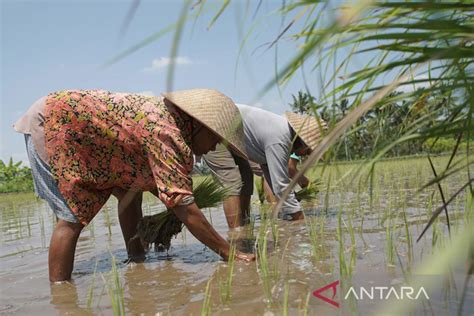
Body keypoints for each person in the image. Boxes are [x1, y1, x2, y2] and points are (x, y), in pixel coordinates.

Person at [14, 88, 255, 282]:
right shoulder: (167, 131)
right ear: (199, 124)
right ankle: (61, 294)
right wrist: (228, 253)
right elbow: (182, 203)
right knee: (71, 217)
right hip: (55, 124)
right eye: (215, 138)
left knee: (130, 193)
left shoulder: (174, 123)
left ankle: (136, 258)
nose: (215, 147)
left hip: (85, 136)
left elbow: (164, 192)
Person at [203, 104, 326, 229]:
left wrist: (290, 201)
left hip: (234, 138)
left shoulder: (282, 135)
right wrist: (300, 221)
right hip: (215, 128)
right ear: (303, 143)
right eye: (308, 151)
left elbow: (272, 177)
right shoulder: (280, 138)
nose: (305, 155)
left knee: (246, 178)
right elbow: (281, 186)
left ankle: (245, 226)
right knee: (231, 183)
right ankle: (237, 235)